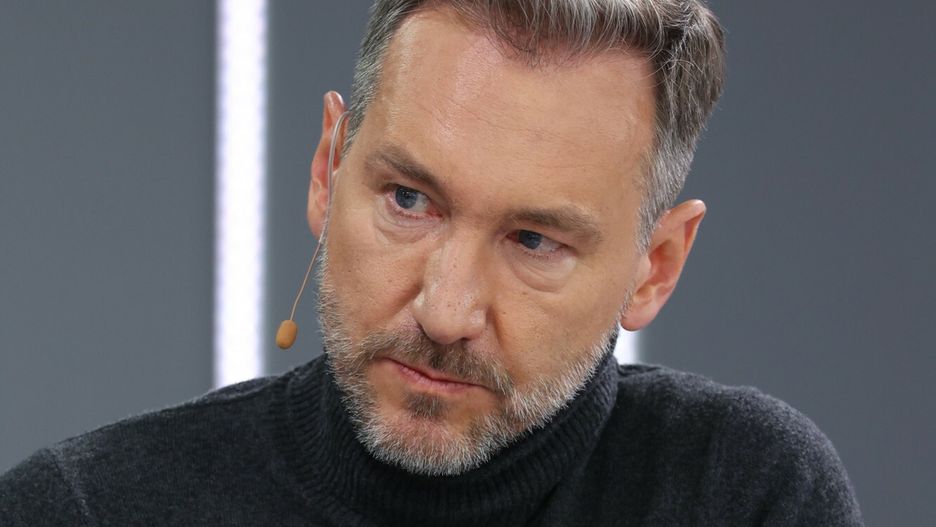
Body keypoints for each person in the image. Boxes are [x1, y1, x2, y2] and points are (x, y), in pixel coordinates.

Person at [0, 1, 863, 525]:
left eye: (534, 240)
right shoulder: (85, 509)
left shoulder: (744, 492)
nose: (446, 311)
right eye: (409, 199)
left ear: (655, 268)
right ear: (328, 167)